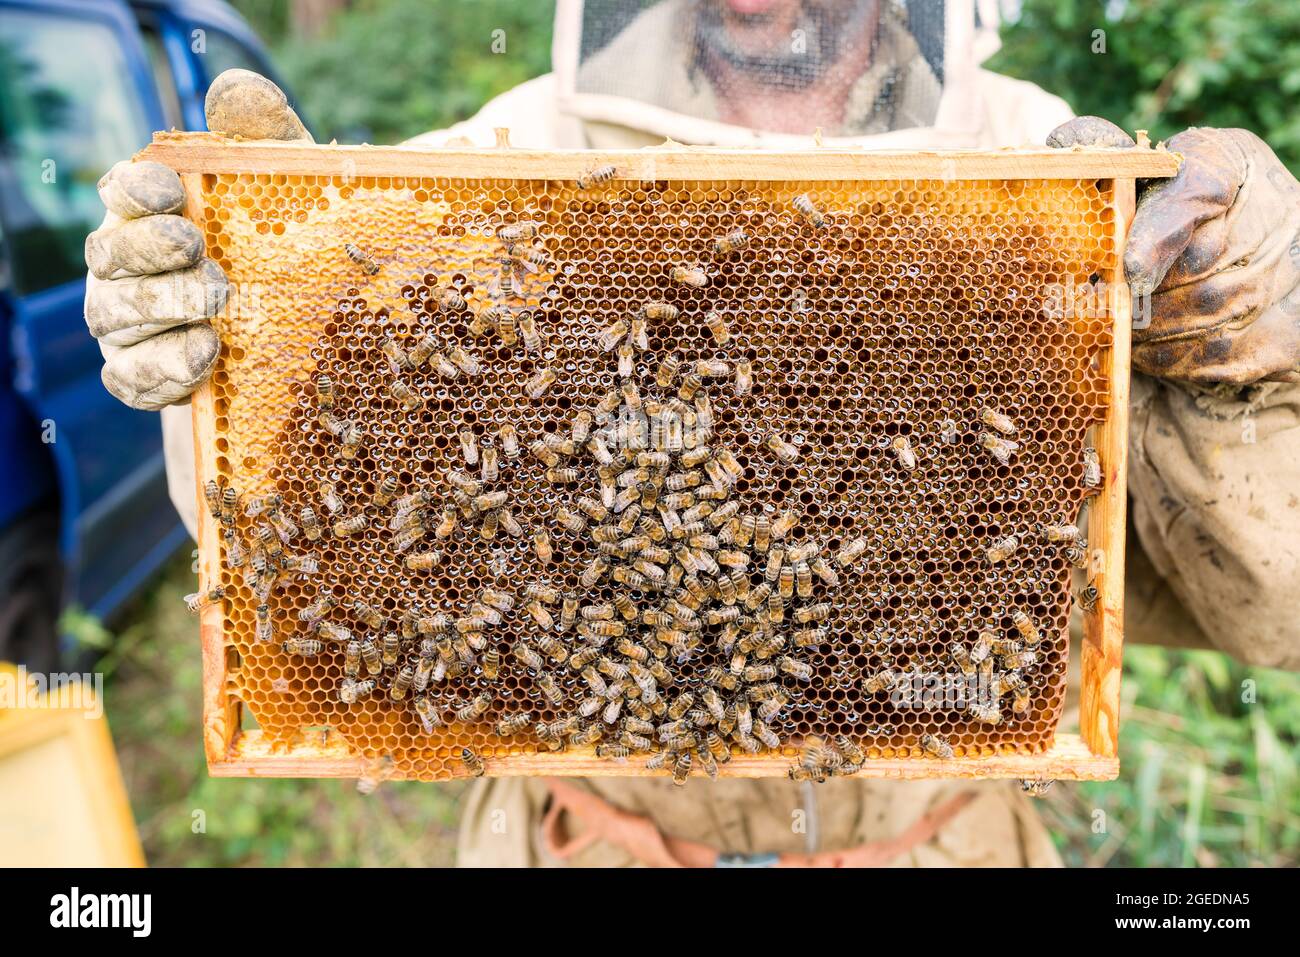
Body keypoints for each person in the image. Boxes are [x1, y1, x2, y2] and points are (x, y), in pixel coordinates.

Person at [83, 0, 1299, 867]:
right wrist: (247, 333)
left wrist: (1247, 350)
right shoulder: (482, 167)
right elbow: (301, 536)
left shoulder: (1052, 175)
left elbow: (1275, 603)